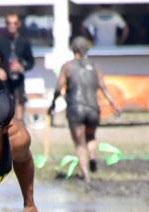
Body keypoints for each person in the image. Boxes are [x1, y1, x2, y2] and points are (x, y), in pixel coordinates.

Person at [49, 37, 121, 182]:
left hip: (76, 109)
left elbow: (58, 87)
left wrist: (53, 103)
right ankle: (92, 156)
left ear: (73, 49)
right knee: (91, 136)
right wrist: (114, 104)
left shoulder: (68, 67)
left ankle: (86, 175)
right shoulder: (94, 66)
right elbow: (103, 87)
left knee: (80, 143)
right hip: (93, 108)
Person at [0, 11, 35, 122]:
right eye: (9, 23)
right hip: (4, 82)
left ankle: (19, 132)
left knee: (19, 114)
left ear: (18, 24)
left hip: (18, 81)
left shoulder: (24, 42)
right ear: (6, 24)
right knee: (4, 114)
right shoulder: (0, 41)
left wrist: (22, 67)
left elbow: (31, 62)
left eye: (14, 23)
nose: (12, 26)